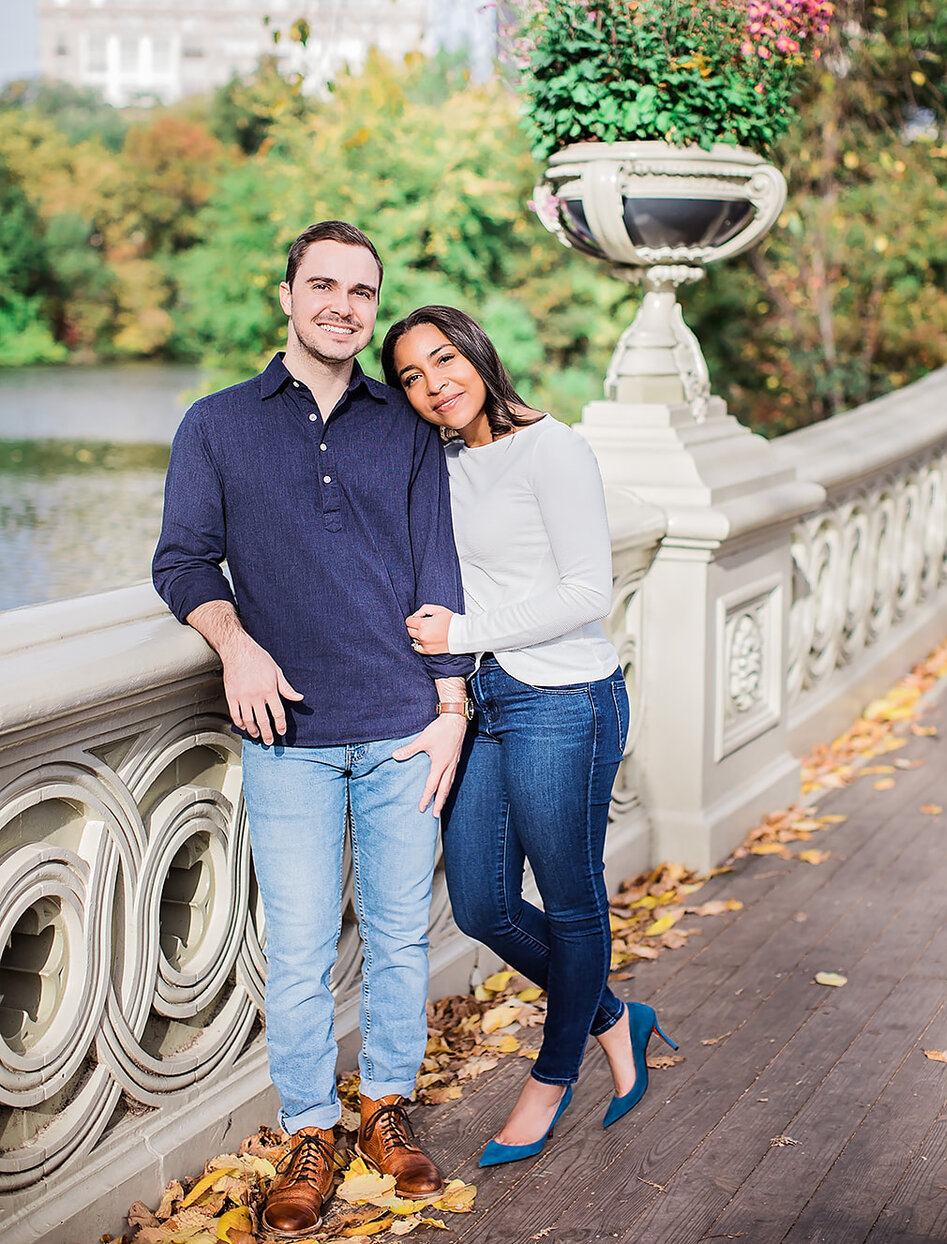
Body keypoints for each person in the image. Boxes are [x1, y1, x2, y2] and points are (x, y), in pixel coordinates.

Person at [152, 223, 474, 1236]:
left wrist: (453, 707)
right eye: (324, 286)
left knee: (396, 939)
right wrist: (232, 643)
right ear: (284, 295)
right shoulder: (215, 425)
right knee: (295, 948)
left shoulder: (407, 429)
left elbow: (441, 575)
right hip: (285, 730)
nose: (344, 305)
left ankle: (383, 1108)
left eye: (363, 292)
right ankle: (307, 1128)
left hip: (401, 727)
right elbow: (182, 562)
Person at [381, 305, 676, 1168]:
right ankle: (619, 1017)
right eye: (410, 376)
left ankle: (552, 1078)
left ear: (478, 352)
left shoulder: (554, 448)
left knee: (573, 900)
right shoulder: (434, 462)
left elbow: (588, 591)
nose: (434, 384)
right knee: (481, 905)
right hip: (479, 701)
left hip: (564, 699)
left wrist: (465, 632)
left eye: (444, 361)